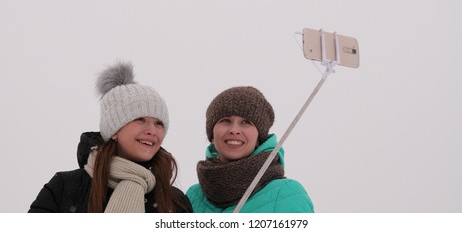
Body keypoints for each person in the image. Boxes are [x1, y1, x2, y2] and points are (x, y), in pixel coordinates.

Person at [29, 61, 192, 213]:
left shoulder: (175, 201)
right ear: (114, 130)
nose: (152, 131)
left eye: (159, 123)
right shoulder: (64, 187)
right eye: (140, 119)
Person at [186, 86, 314, 213]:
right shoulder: (193, 197)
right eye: (225, 121)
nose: (234, 130)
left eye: (246, 122)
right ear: (212, 134)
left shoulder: (287, 194)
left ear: (259, 137)